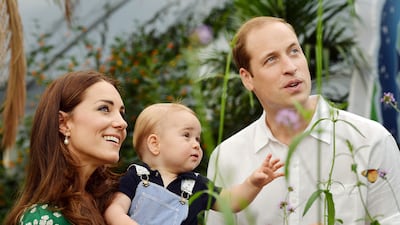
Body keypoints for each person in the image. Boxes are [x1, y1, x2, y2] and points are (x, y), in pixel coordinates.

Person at [206, 16, 400, 225]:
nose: (290, 67)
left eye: (294, 51)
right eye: (271, 59)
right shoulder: (226, 157)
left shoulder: (371, 139)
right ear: (247, 78)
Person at [104, 103, 284, 225]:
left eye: (197, 138)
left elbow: (231, 202)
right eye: (186, 135)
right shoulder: (137, 176)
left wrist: (253, 183)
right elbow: (114, 210)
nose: (196, 144)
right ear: (155, 144)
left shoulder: (196, 184)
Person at [3, 70, 128, 225]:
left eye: (122, 113)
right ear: (63, 123)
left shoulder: (118, 203)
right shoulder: (44, 219)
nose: (122, 123)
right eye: (104, 109)